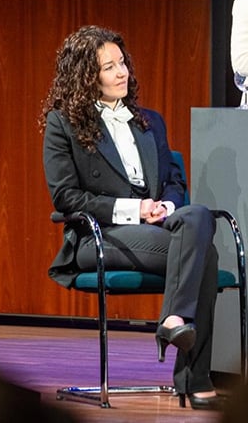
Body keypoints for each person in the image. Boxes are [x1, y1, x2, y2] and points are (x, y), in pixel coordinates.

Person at [39, 25, 225, 410]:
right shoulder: (63, 125)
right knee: (206, 255)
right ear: (86, 77)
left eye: (122, 63)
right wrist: (134, 209)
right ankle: (194, 376)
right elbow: (66, 196)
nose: (122, 72)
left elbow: (173, 180)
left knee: (198, 216)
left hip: (156, 228)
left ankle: (174, 319)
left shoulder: (149, 121)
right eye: (109, 67)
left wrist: (164, 208)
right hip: (101, 236)